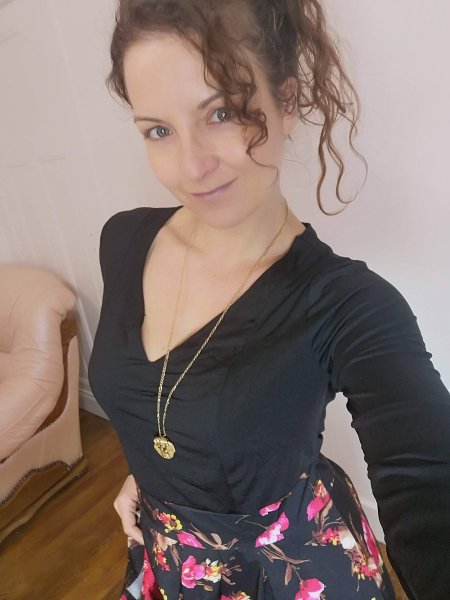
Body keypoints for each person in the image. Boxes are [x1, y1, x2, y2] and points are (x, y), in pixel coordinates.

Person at [87, 1, 450, 599]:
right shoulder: (123, 239)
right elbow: (163, 399)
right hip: (170, 559)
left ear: (287, 100)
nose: (192, 166)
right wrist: (153, 474)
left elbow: (427, 479)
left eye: (222, 112)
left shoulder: (348, 304)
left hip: (296, 573)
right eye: (159, 130)